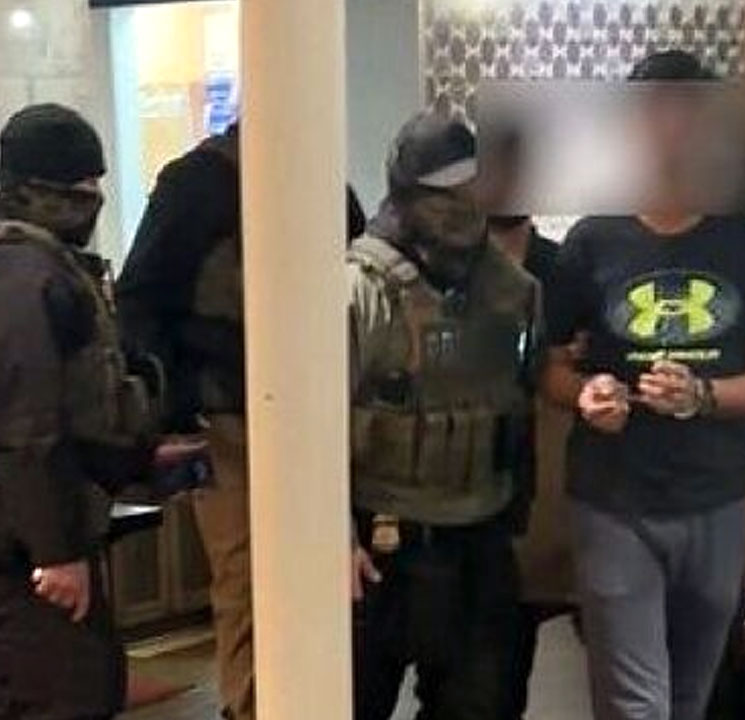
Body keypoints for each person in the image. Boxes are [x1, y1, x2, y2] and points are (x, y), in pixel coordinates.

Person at [542, 50, 745, 720]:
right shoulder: (593, 239)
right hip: (613, 500)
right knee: (637, 706)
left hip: (715, 499)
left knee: (687, 699)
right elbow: (551, 369)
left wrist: (702, 396)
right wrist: (586, 395)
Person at [0, 104, 190, 720]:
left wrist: (137, 453)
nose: (92, 199)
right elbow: (24, 421)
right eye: (78, 187)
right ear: (32, 189)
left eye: (96, 184)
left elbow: (74, 398)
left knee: (81, 686)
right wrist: (54, 550)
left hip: (34, 514)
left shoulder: (33, 263)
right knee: (55, 697)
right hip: (21, 524)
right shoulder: (17, 273)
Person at [116, 123, 365, 720]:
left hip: (290, 410)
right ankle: (252, 707)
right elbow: (140, 300)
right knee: (248, 579)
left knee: (284, 577)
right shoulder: (199, 184)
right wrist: (175, 407)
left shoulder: (307, 178)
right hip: (227, 415)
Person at [348, 112, 540, 720]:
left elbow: (520, 406)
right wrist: (334, 539)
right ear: (407, 195)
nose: (461, 205)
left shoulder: (513, 291)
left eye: (471, 187)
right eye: (443, 192)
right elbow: (312, 438)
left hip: (479, 540)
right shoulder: (361, 289)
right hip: (380, 542)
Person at [486, 215, 574, 720]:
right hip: (462, 495)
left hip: (546, 497)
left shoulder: (563, 267)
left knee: (506, 675)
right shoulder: (446, 267)